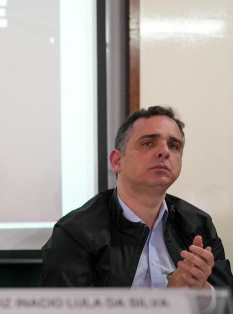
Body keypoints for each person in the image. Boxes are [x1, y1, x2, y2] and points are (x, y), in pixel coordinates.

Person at [42, 106, 233, 291]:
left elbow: (228, 308)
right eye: (148, 143)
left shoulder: (198, 224)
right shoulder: (76, 231)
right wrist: (170, 303)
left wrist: (203, 292)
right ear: (117, 161)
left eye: (173, 146)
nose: (164, 152)